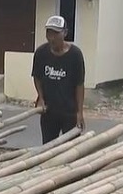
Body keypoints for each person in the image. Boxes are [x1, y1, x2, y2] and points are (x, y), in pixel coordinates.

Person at [32, 15, 86, 144]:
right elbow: (37, 77)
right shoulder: (41, 53)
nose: (52, 37)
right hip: (49, 112)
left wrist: (79, 112)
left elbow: (79, 85)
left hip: (69, 112)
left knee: (70, 148)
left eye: (56, 33)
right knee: (48, 146)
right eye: (49, 33)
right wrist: (41, 98)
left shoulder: (75, 55)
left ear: (65, 33)